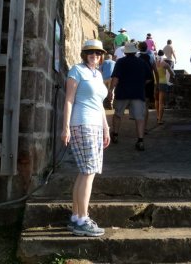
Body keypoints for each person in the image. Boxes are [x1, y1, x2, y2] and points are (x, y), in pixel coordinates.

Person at [61, 39, 110, 237]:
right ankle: (83, 219)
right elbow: (69, 100)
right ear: (84, 54)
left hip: (96, 126)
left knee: (85, 172)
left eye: (98, 53)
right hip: (82, 124)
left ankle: (75, 217)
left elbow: (99, 105)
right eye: (91, 52)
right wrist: (65, 127)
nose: (95, 56)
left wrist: (106, 128)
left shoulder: (98, 74)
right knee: (89, 172)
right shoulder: (77, 70)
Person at [108, 42, 153, 151]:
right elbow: (149, 78)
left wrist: (111, 90)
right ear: (135, 51)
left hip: (122, 92)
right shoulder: (142, 62)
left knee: (118, 114)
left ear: (126, 52)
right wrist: (140, 84)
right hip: (138, 93)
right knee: (139, 118)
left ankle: (115, 135)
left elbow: (116, 78)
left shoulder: (120, 62)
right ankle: (140, 140)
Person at [138, 41, 159, 132]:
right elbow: (155, 70)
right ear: (147, 48)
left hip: (138, 82)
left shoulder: (137, 56)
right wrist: (157, 83)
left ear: (139, 48)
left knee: (139, 105)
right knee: (146, 105)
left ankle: (139, 127)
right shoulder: (151, 56)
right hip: (149, 82)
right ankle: (144, 127)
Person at [155, 49, 175, 125]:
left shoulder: (154, 63)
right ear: (163, 55)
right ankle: (160, 120)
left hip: (155, 83)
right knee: (161, 102)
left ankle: (157, 116)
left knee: (156, 101)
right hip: (163, 83)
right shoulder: (165, 64)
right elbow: (172, 73)